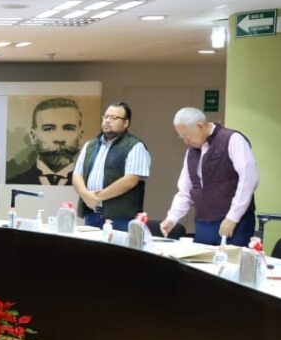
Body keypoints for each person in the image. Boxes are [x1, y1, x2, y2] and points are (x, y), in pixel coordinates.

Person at [160, 107, 259, 246]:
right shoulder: (191, 153)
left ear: (200, 126)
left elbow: (249, 179)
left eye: (186, 136)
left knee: (231, 265)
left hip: (234, 223)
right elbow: (185, 191)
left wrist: (233, 217)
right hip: (203, 224)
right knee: (201, 266)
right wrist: (172, 218)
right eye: (182, 137)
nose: (185, 141)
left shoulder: (232, 139)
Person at [71, 102, 151, 228]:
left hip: (120, 218)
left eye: (114, 118)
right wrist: (86, 195)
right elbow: (77, 175)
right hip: (91, 215)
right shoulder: (90, 145)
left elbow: (130, 180)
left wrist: (97, 197)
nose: (108, 121)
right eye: (106, 117)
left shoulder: (135, 146)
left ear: (125, 123)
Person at [8, 98, 84, 185]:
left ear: (80, 135)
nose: (59, 139)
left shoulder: (90, 186)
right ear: (33, 136)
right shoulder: (14, 183)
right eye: (49, 129)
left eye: (68, 129)